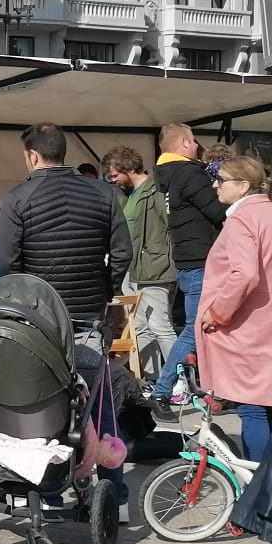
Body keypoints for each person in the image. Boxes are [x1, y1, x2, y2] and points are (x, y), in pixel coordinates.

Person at [195, 157, 272, 462]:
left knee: (250, 406)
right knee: (269, 405)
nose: (215, 185)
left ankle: (259, 481)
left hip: (247, 326)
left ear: (242, 186)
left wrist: (218, 311)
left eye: (221, 180)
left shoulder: (243, 219)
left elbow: (245, 274)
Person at [0, 123, 131, 330]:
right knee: (91, 360)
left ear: (33, 156)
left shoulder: (17, 198)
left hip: (39, 309)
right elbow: (122, 252)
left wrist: (22, 300)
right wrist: (106, 289)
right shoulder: (105, 193)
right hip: (91, 307)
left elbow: (8, 261)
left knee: (46, 362)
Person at [148, 122, 230, 416]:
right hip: (202, 261)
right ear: (183, 143)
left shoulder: (168, 176)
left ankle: (214, 389)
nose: (198, 146)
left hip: (188, 260)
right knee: (196, 329)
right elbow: (218, 210)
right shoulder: (190, 173)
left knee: (206, 328)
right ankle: (163, 390)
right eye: (193, 141)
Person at [105, 146, 176, 388]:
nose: (112, 180)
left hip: (153, 268)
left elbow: (169, 226)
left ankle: (180, 380)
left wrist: (159, 254)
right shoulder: (129, 194)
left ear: (128, 168)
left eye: (114, 174)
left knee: (160, 326)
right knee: (140, 327)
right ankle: (153, 379)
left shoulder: (155, 190)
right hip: (135, 268)